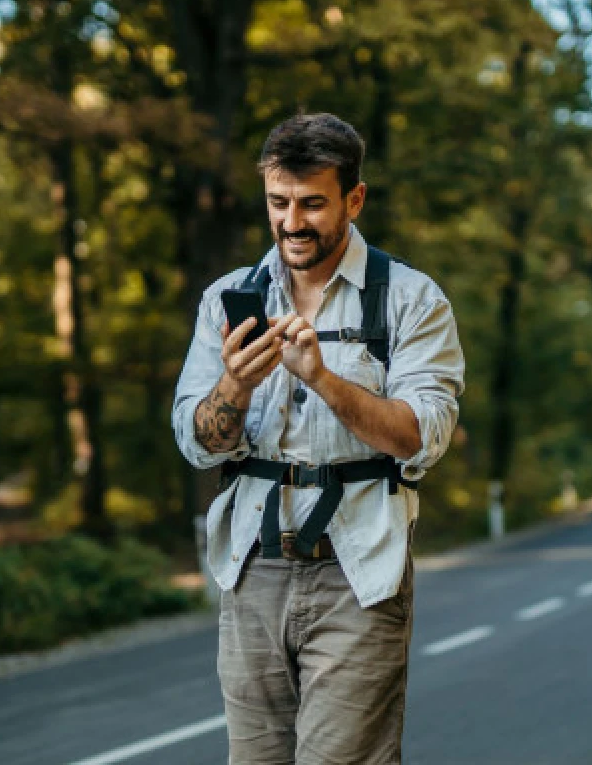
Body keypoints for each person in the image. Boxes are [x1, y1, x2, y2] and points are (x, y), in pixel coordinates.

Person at [172, 112, 465, 764]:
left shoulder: (410, 300)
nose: (293, 222)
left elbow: (425, 437)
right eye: (279, 203)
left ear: (354, 198)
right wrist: (235, 387)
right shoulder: (227, 299)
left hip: (358, 572)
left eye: (312, 204)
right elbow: (196, 441)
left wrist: (325, 380)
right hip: (250, 570)